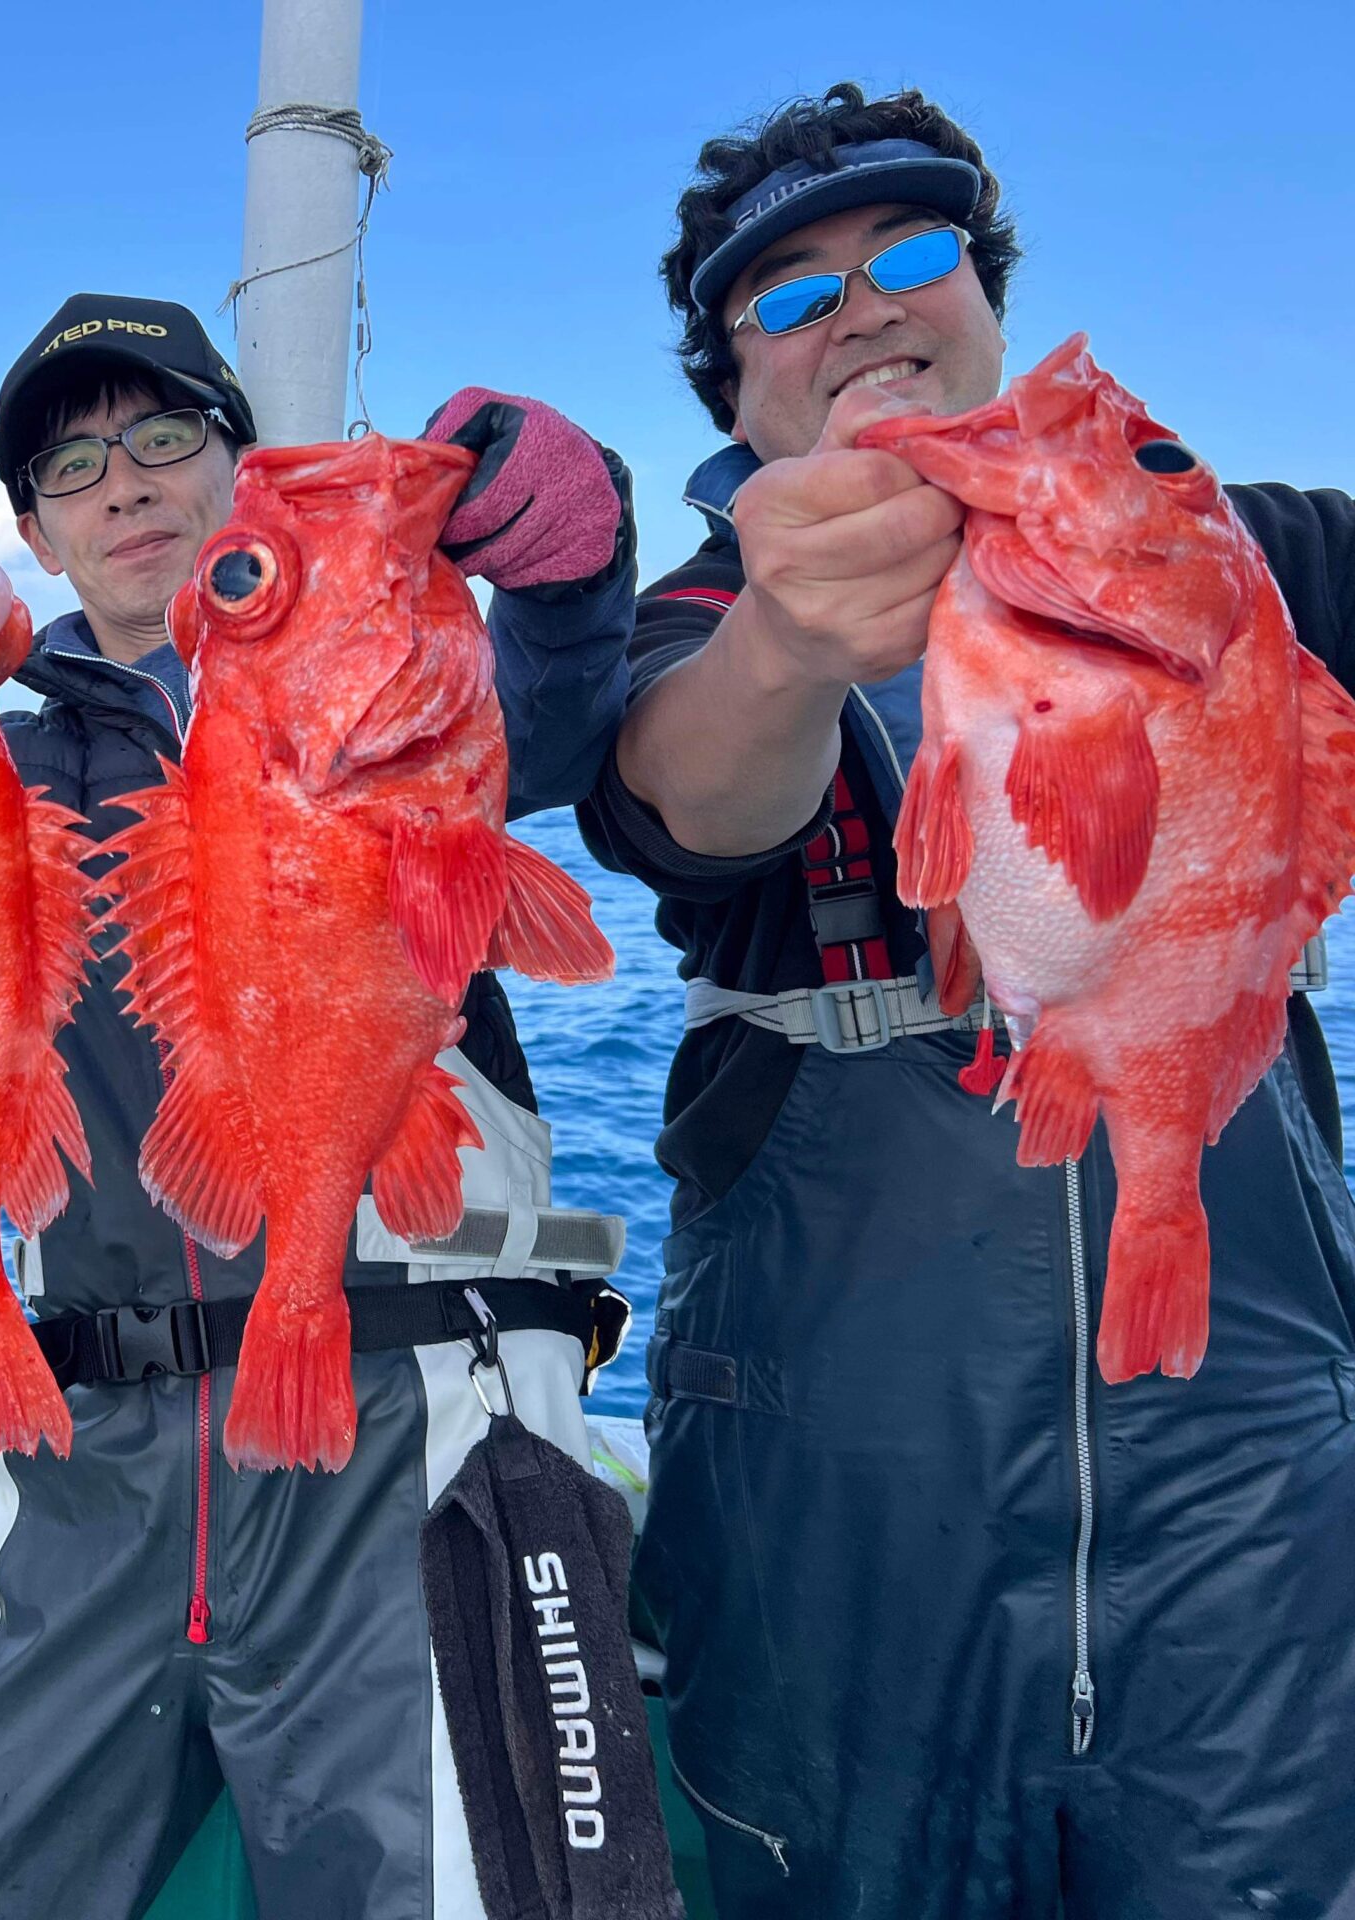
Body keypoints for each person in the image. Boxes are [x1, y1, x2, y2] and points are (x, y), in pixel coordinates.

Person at [0, 292, 638, 1918]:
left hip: (413, 1445)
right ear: (29, 533)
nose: (128, 483)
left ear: (239, 468)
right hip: (80, 1459)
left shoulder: (422, 699)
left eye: (168, 439)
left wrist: (574, 571)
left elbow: (572, 709)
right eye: (75, 467)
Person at [584, 82, 1355, 1917]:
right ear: (736, 391)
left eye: (909, 254)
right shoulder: (704, 620)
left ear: (987, 299)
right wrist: (788, 642)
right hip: (838, 1490)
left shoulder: (1241, 556)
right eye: (787, 295)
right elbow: (686, 795)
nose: (859, 308)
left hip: (1247, 1499)